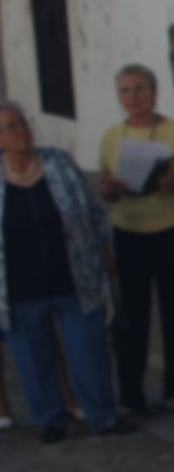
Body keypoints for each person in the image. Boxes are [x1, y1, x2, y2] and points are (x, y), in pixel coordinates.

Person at [0, 100, 134, 442]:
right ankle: (50, 419)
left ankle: (102, 415)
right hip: (21, 287)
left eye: (23, 123)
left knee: (89, 350)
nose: (21, 131)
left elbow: (91, 210)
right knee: (33, 358)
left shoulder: (58, 162)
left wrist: (104, 248)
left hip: (75, 275)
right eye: (11, 127)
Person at [97, 63, 174, 414]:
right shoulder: (112, 136)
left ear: (154, 93)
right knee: (132, 315)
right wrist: (109, 188)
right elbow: (103, 182)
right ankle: (131, 393)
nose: (133, 97)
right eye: (125, 91)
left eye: (140, 89)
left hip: (172, 227)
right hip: (129, 230)